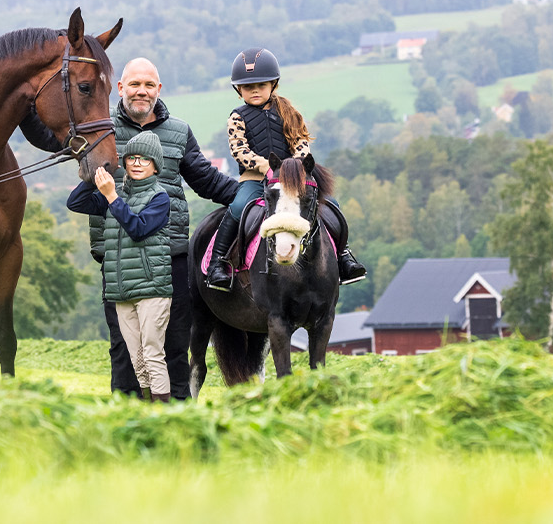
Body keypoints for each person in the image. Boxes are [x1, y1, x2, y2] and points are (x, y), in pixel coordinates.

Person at [85, 57, 239, 400]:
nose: (142, 91)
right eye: (134, 84)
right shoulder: (100, 130)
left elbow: (207, 180)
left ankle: (177, 418)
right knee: (125, 348)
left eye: (149, 85)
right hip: (119, 257)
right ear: (120, 88)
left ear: (159, 90)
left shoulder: (178, 132)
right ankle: (129, 420)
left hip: (170, 257)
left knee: (173, 342)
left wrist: (249, 193)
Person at [205, 47, 367, 291]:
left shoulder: (288, 112)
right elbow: (240, 150)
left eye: (261, 84)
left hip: (292, 178)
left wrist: (295, 167)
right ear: (239, 90)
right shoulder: (237, 117)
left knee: (331, 203)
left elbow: (301, 142)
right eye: (248, 87)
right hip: (256, 178)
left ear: (273, 84)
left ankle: (343, 256)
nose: (255, 90)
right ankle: (219, 263)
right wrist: (266, 168)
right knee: (238, 207)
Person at [66, 132, 176, 401]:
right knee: (137, 358)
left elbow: (138, 229)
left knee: (152, 354)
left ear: (155, 165)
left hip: (152, 289)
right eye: (132, 158)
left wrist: (112, 195)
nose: (137, 163)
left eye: (144, 159)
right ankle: (148, 410)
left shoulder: (159, 198)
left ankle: (163, 413)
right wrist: (94, 173)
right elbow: (75, 203)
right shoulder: (112, 194)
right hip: (122, 291)